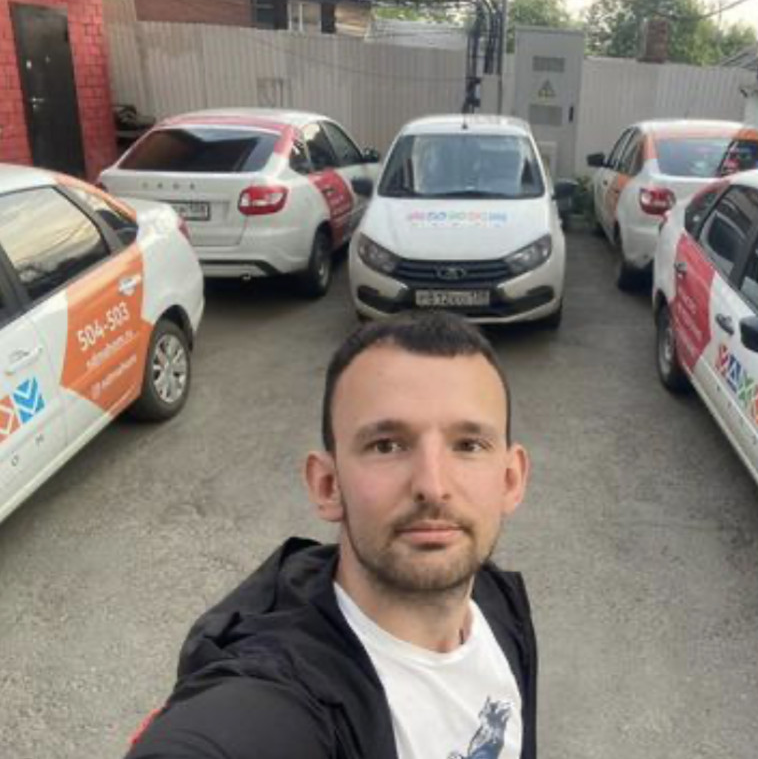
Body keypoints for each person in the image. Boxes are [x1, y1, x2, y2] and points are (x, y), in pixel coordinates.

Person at [126, 312, 538, 759]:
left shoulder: (498, 603)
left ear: (511, 480)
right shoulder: (279, 691)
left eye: (469, 445)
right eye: (387, 445)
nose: (433, 485)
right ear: (327, 485)